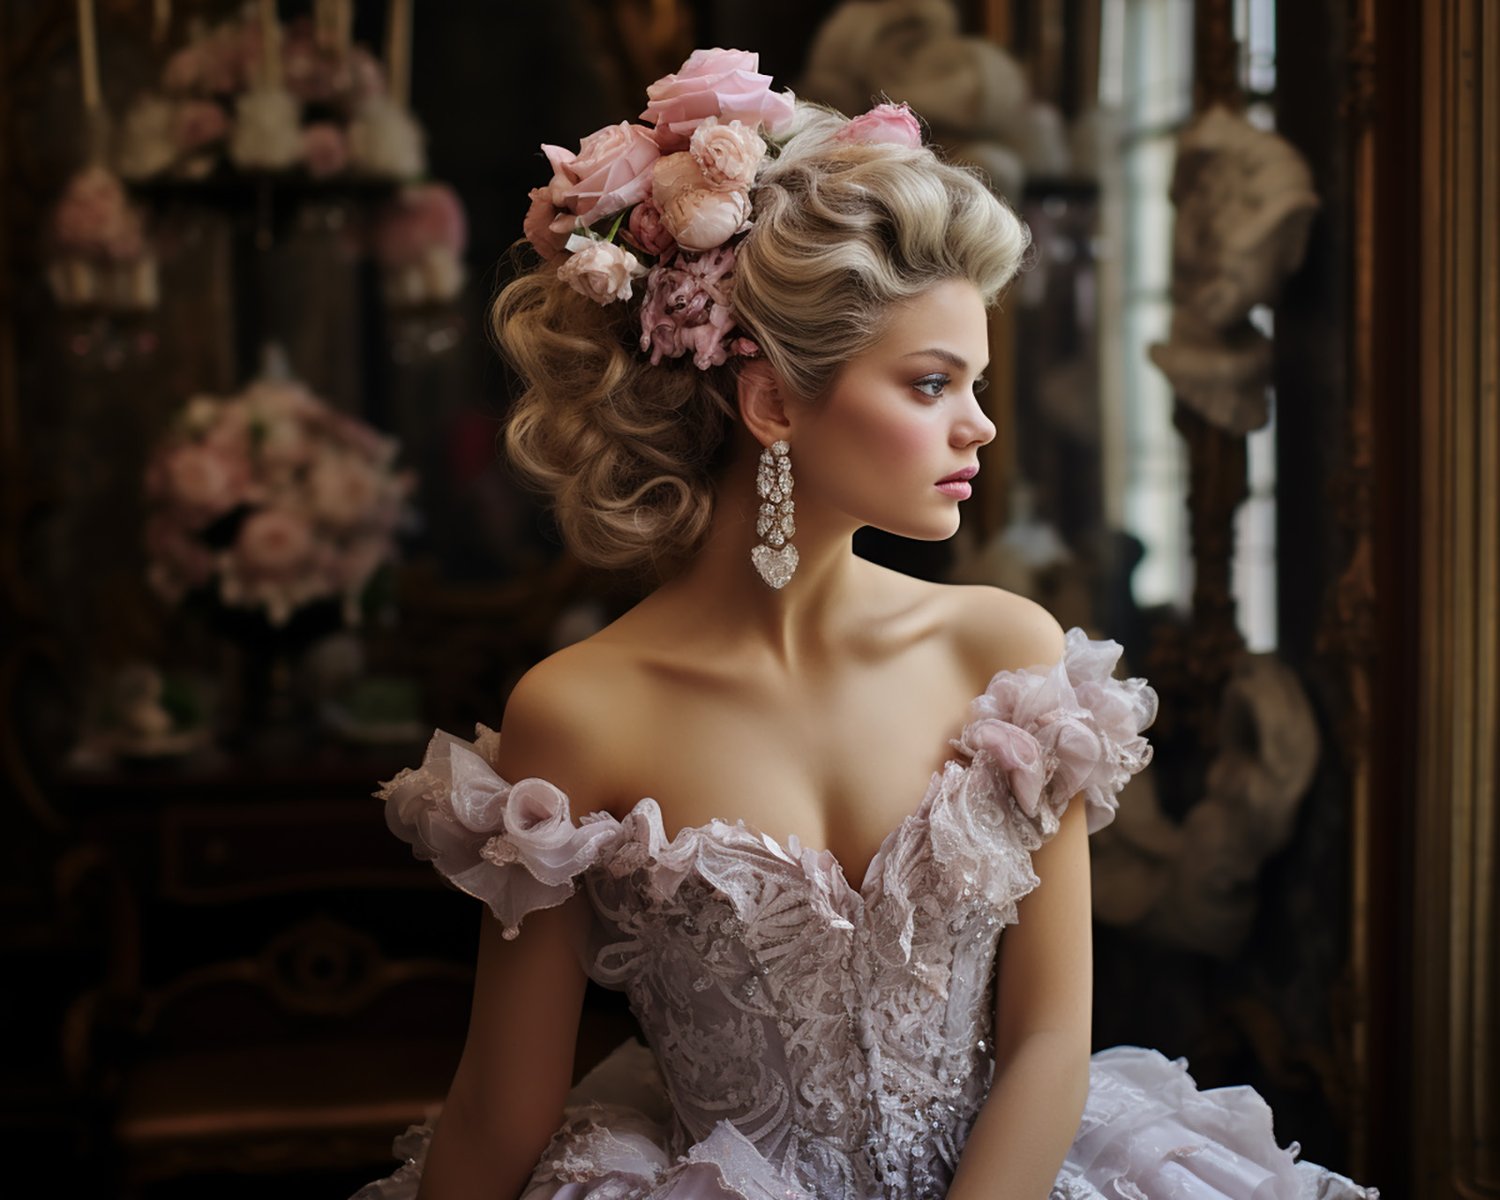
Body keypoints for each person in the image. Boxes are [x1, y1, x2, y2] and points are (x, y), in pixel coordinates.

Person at [355, 49, 1375, 1200]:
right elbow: (503, 1106)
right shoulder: (578, 715)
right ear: (774, 400)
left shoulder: (1012, 660)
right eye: (933, 384)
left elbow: (1049, 1040)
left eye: (978, 385)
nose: (980, 428)